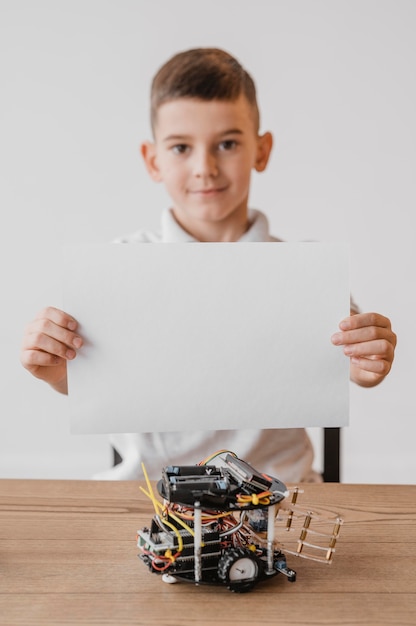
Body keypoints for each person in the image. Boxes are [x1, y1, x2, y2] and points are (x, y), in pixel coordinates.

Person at [20, 48, 396, 482]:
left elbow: (352, 369)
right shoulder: (119, 268)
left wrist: (369, 362)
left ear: (262, 149)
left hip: (280, 494)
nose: (205, 168)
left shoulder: (305, 274)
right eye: (181, 147)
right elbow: (93, 380)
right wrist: (57, 371)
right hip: (149, 498)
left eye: (228, 143)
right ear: (153, 160)